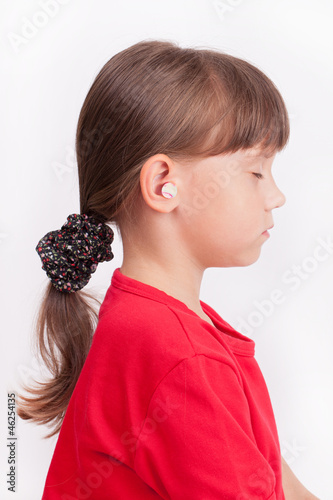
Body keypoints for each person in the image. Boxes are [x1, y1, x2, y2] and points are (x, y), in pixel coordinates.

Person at [17, 39, 320, 499]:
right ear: (164, 185)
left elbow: (278, 480)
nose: (276, 195)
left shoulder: (162, 327)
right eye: (256, 172)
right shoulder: (178, 356)